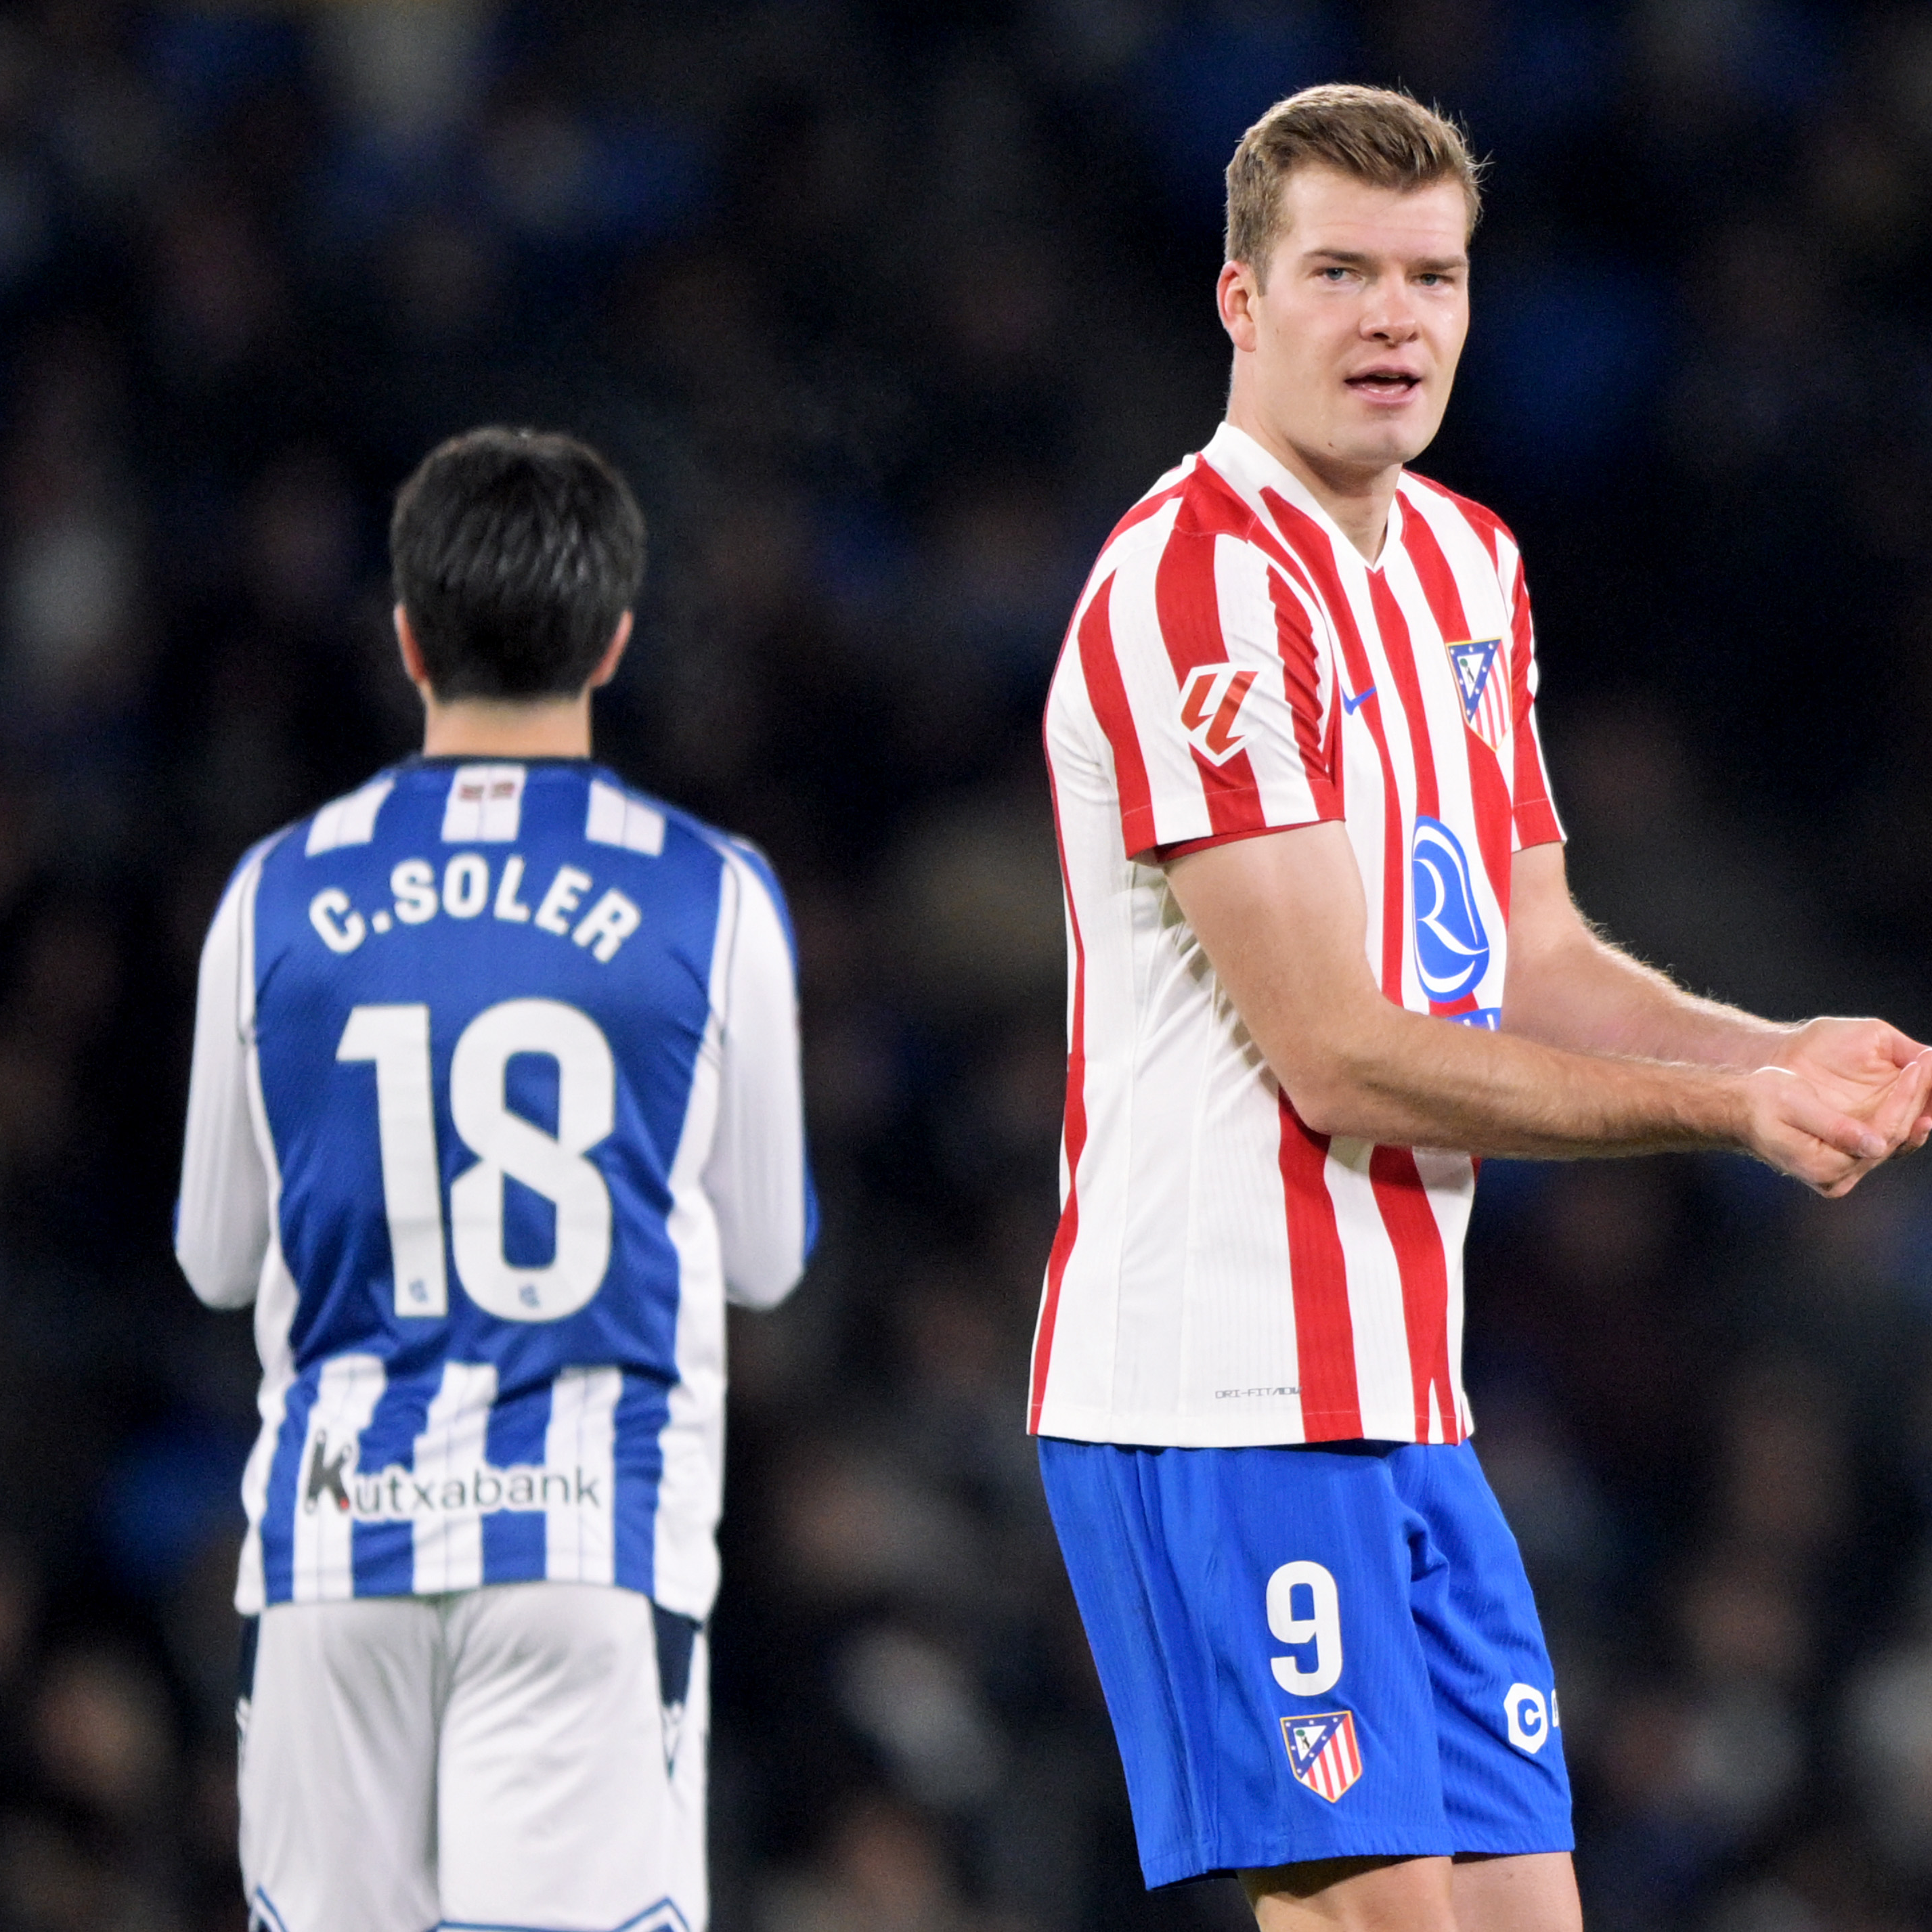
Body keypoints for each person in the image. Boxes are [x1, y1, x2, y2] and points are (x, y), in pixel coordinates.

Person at [1028, 84, 1932, 1932]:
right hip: (1218, 1388)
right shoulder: (1195, 589)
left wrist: (1774, 1051)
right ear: (1235, 301)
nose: (1391, 317)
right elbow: (1335, 1046)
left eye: (1428, 275)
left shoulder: (1462, 563)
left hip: (1400, 1393)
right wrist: (1723, 1118)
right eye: (1338, 272)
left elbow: (1529, 953)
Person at [175, 426, 814, 1932]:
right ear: (615, 643)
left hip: (335, 1541)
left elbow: (214, 1256)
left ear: (406, 639)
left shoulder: (276, 887)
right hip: (587, 1537)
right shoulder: (708, 887)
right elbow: (769, 1255)